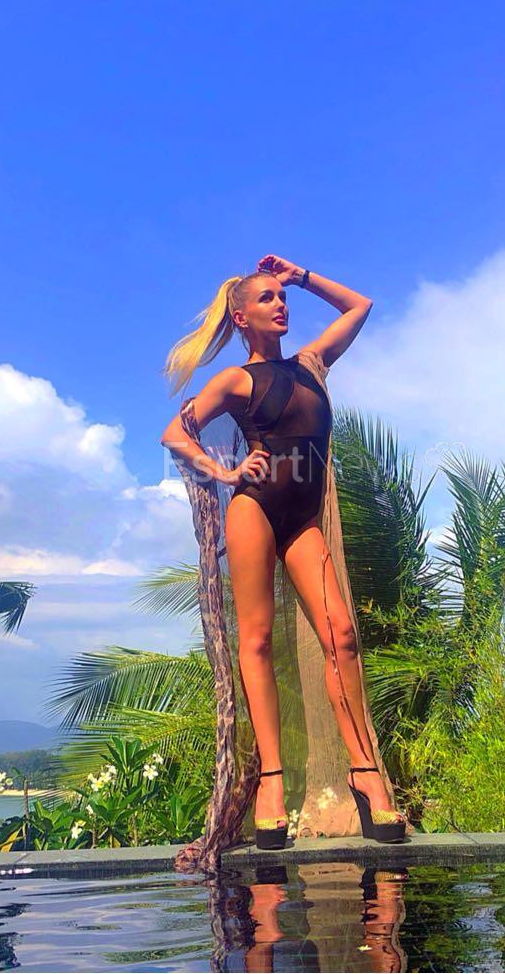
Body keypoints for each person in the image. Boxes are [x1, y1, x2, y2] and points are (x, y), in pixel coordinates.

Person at [160, 255, 405, 871]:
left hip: (303, 520)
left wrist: (303, 276)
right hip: (256, 509)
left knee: (341, 635)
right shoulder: (235, 381)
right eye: (268, 297)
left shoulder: (311, 363)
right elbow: (175, 435)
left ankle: (365, 771)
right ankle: (271, 780)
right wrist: (224, 473)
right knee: (258, 641)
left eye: (283, 296)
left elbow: (360, 306)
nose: (281, 304)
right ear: (242, 317)